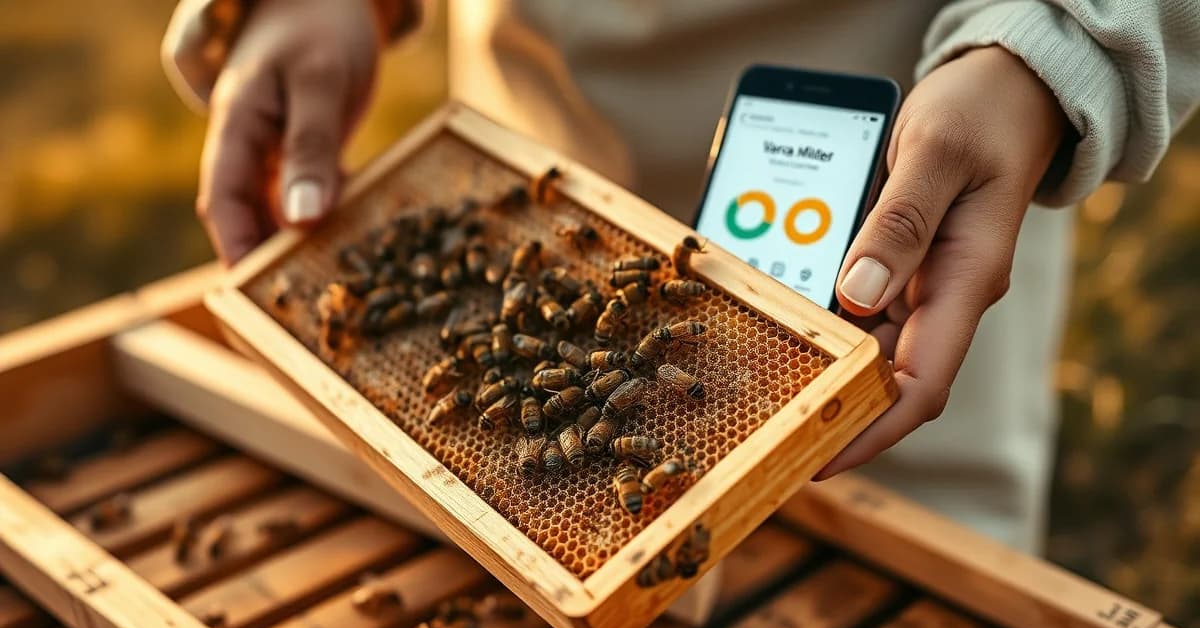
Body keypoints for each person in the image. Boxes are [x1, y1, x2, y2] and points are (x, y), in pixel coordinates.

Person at [162, 0, 1200, 553]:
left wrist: (1046, 51)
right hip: (539, 159)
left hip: (912, 166)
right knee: (527, 505)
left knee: (881, 528)